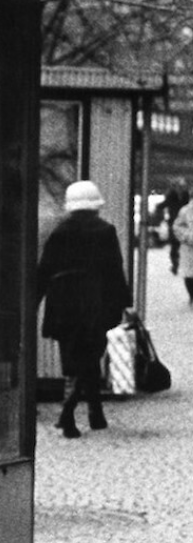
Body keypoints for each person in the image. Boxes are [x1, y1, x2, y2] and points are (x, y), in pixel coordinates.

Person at [37, 180, 131, 438]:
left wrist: (33, 302)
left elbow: (44, 270)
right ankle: (73, 414)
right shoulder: (105, 231)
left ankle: (90, 414)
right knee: (90, 358)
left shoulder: (59, 232)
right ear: (95, 205)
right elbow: (115, 270)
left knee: (71, 360)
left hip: (62, 303)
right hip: (94, 302)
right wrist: (124, 304)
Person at [159, 176, 190, 274]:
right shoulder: (171, 194)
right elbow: (165, 204)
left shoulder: (186, 195)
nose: (181, 188)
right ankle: (175, 264)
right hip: (173, 221)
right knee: (174, 244)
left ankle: (182, 263)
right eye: (180, 186)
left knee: (182, 243)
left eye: (182, 186)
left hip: (184, 222)